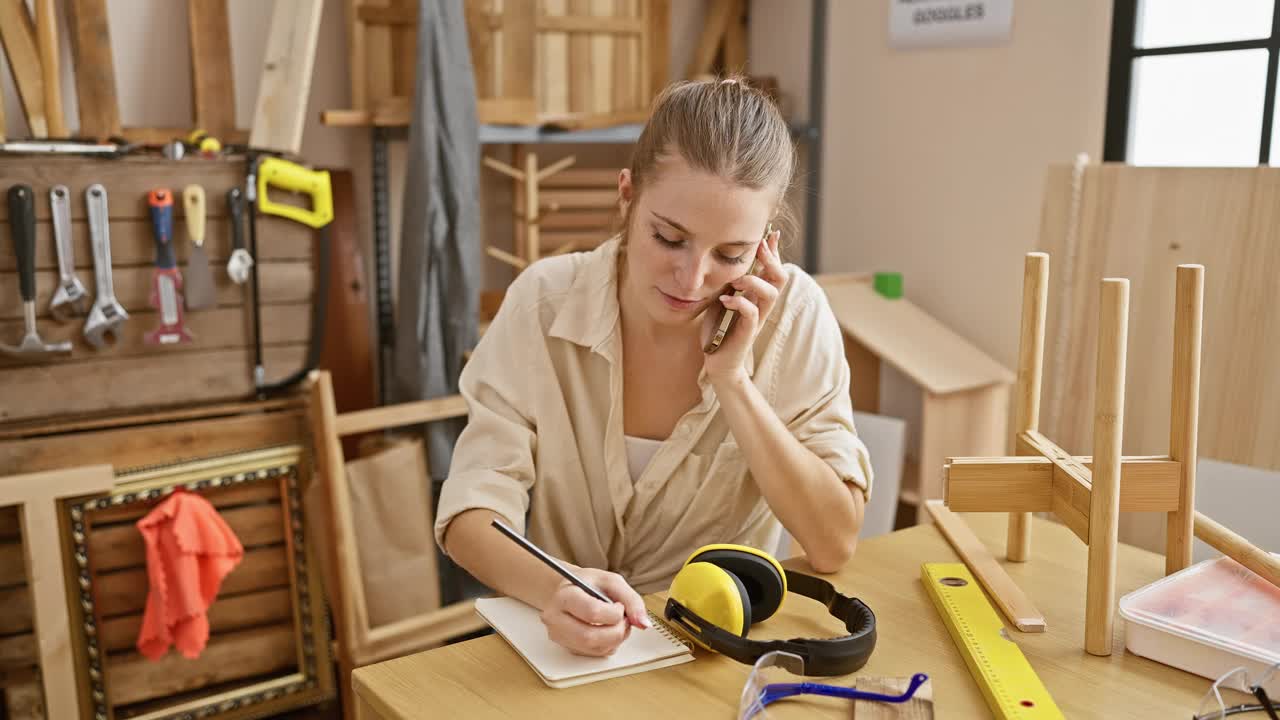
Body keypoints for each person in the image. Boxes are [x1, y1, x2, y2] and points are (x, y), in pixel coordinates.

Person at [434, 77, 873, 658]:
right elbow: (471, 515)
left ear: (765, 246)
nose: (690, 281)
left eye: (730, 255)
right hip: (560, 650)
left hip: (714, 662)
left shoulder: (795, 315)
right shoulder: (542, 303)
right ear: (627, 196)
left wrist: (733, 381)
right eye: (669, 238)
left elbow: (833, 543)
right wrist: (557, 587)